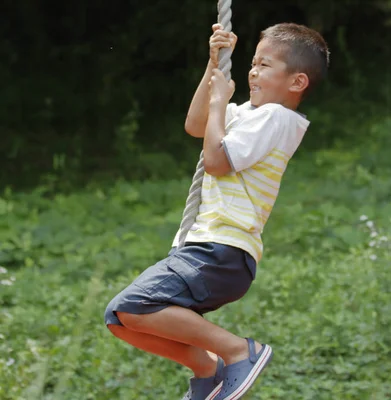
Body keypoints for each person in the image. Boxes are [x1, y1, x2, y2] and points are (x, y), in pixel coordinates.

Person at [103, 22, 330, 400]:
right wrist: (214, 66)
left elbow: (216, 161)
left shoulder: (275, 119)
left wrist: (218, 103)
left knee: (135, 306)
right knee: (121, 319)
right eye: (253, 63)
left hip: (222, 250)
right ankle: (207, 366)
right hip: (204, 247)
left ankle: (239, 350)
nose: (253, 71)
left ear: (297, 82)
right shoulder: (251, 113)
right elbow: (196, 125)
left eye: (265, 65)